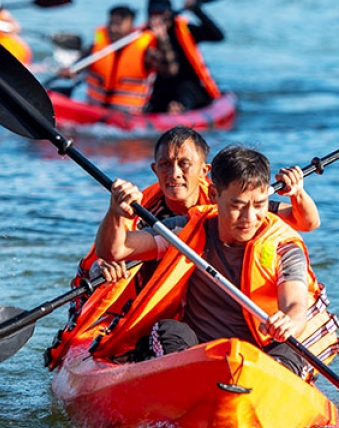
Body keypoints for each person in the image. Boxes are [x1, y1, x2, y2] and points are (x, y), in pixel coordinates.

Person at [44, 128, 322, 368]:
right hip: (196, 347)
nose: (249, 217)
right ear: (215, 197)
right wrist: (116, 213)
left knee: (290, 349)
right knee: (168, 330)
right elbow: (115, 250)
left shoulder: (281, 241)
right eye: (237, 206)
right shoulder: (185, 228)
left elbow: (296, 301)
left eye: (258, 205)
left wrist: (290, 321)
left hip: (262, 348)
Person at [67, 4, 159, 114]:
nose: (113, 29)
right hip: (95, 110)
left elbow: (165, 70)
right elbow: (79, 65)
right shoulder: (97, 46)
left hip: (129, 114)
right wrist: (71, 71)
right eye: (110, 23)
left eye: (118, 25)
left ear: (131, 24)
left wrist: (163, 39)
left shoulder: (145, 50)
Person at [144, 0, 225, 114]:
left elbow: (217, 36)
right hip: (159, 85)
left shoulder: (186, 30)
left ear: (169, 13)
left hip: (186, 83)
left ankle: (181, 111)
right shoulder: (143, 36)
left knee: (186, 91)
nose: (157, 18)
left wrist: (197, 11)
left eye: (160, 13)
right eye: (153, 14)